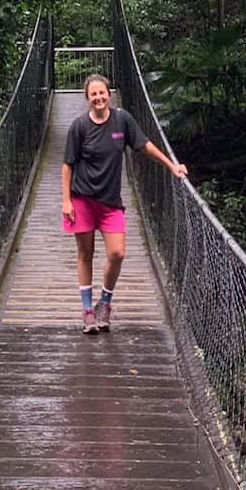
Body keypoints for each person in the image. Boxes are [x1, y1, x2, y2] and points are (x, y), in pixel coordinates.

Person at [61, 72, 187, 334]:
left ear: (109, 93)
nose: (98, 97)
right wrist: (66, 201)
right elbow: (67, 165)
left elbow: (145, 145)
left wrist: (171, 166)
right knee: (85, 254)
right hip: (82, 199)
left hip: (110, 202)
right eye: (93, 94)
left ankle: (104, 303)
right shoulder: (79, 127)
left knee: (117, 253)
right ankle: (87, 312)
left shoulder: (122, 120)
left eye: (102, 92)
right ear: (87, 98)